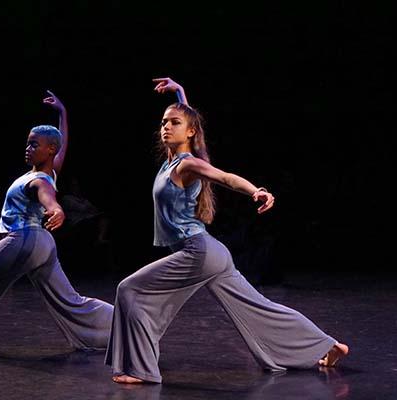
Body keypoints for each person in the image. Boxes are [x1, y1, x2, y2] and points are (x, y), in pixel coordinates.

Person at [105, 78, 348, 383]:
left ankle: (141, 370)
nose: (166, 126)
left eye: (174, 122)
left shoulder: (187, 165)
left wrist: (254, 191)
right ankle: (331, 345)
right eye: (164, 122)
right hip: (211, 255)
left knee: (130, 290)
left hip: (197, 253)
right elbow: (190, 120)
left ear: (190, 131)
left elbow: (225, 177)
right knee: (260, 307)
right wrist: (179, 93)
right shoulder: (171, 162)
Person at [0, 90, 113, 356]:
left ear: (50, 150)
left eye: (34, 144)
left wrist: (56, 208)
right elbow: (63, 143)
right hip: (43, 246)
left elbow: (47, 197)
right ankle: (125, 327)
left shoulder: (40, 180)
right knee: (69, 300)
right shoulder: (49, 171)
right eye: (27, 143)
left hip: (25, 239)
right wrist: (63, 113)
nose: (28, 148)